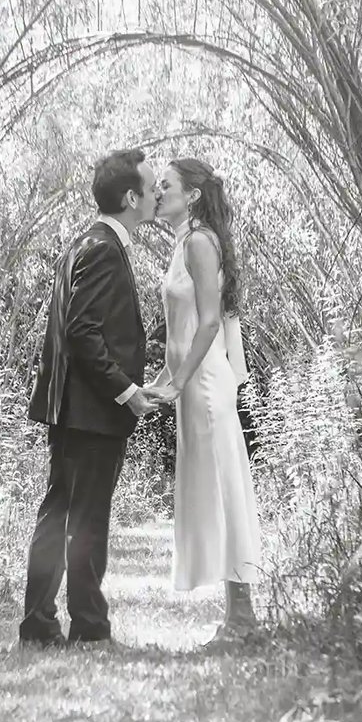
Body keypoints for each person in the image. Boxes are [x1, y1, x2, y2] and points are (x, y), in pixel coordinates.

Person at [20, 148, 166, 646]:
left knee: (60, 513)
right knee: (84, 520)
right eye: (151, 187)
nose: (156, 194)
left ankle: (39, 624)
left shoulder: (85, 240)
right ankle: (87, 626)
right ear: (131, 198)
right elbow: (83, 332)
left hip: (72, 408)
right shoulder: (103, 248)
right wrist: (126, 391)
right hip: (90, 411)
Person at [144, 158, 263, 643]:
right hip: (191, 384)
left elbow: (211, 323)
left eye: (166, 185)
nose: (157, 192)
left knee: (225, 486)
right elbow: (183, 332)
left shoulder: (198, 242)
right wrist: (160, 382)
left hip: (207, 385)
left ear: (191, 195)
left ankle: (243, 618)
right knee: (211, 488)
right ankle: (237, 616)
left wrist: (178, 382)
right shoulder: (184, 243)